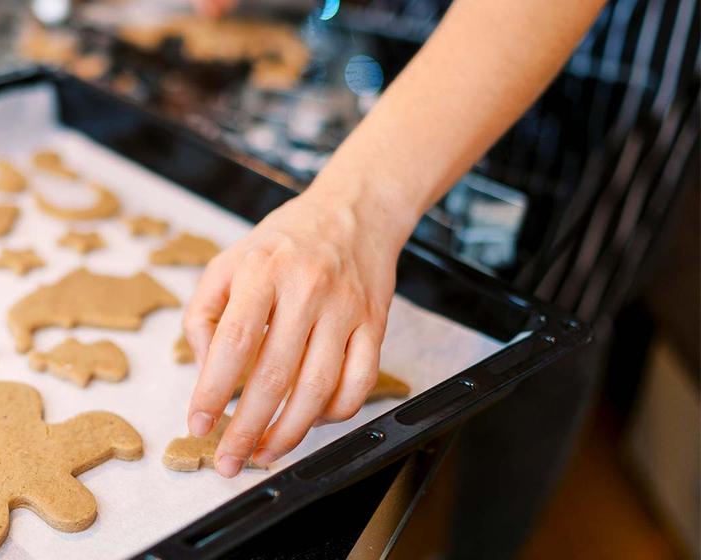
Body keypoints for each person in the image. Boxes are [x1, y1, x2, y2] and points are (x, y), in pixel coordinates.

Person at [181, 0, 698, 556]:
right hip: (415, 31)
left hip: (603, 60)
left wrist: (353, 207)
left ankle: (482, 546)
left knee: (539, 337)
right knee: (379, 296)